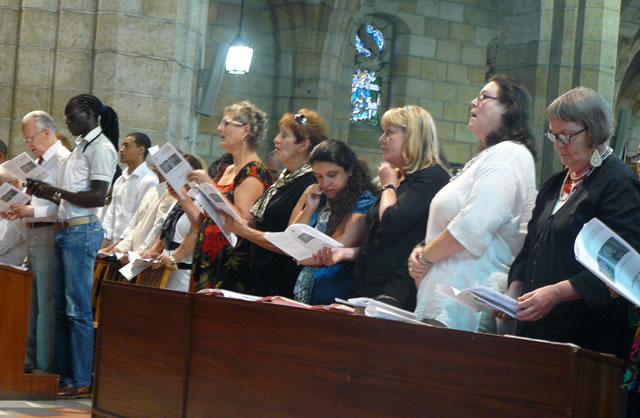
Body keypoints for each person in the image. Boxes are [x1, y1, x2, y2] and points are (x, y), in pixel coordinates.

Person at [502, 86, 640, 358]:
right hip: (536, 326)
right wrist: (513, 289)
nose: (558, 145)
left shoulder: (618, 183)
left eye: (566, 135)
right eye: (554, 135)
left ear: (594, 131)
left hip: (585, 337)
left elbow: (620, 267)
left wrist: (556, 293)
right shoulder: (556, 183)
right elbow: (531, 246)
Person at [408, 75, 537, 332]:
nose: (473, 102)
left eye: (483, 97)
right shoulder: (487, 157)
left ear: (507, 107)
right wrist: (423, 251)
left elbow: (472, 228)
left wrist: (424, 257)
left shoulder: (509, 155)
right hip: (445, 299)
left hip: (468, 302)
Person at [28, 94, 118, 398]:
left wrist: (56, 190)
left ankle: (80, 378)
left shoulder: (102, 147)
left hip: (82, 232)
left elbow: (96, 197)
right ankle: (64, 375)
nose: (67, 121)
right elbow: (68, 196)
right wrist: (43, 191)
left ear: (89, 113)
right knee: (61, 308)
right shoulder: (80, 147)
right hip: (65, 231)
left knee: (77, 309)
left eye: (71, 116)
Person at [315, 106, 450, 310]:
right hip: (368, 285)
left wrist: (388, 185)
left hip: (398, 290)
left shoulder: (432, 177)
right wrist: (345, 253)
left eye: (389, 132)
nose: (381, 139)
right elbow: (379, 240)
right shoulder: (401, 178)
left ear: (412, 136)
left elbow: (391, 222)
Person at [222, 110, 327, 298]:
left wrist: (245, 231)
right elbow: (262, 223)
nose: (276, 139)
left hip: (281, 281)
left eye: (284, 135)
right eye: (279, 133)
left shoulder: (310, 184)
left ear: (303, 145)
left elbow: (291, 243)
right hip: (258, 275)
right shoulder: (284, 178)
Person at [6, 112, 71, 374]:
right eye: (25, 140)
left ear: (47, 132)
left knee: (45, 302)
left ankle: (44, 366)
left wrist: (32, 211)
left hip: (49, 233)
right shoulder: (38, 161)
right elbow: (39, 200)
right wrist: (18, 207)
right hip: (33, 232)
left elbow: (68, 206)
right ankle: (27, 361)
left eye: (31, 138)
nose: (29, 144)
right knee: (30, 301)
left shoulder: (64, 159)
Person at [186, 101, 272, 292]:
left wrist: (209, 186)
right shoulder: (227, 168)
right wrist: (182, 197)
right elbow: (205, 220)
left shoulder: (254, 171)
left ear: (245, 130)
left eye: (226, 123)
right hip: (208, 256)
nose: (219, 128)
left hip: (230, 261)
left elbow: (242, 221)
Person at [291, 139, 377, 305]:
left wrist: (302, 256)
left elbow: (338, 246)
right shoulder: (322, 199)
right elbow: (292, 236)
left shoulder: (364, 200)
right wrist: (309, 208)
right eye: (319, 177)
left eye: (332, 175)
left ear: (349, 170)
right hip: (306, 292)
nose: (325, 183)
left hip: (335, 293)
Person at [143, 153, 204, 291]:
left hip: (182, 273)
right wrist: (150, 254)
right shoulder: (178, 201)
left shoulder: (202, 202)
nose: (169, 181)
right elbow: (165, 232)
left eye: (175, 176)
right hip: (164, 267)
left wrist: (172, 259)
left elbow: (195, 235)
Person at [100, 167, 175, 258]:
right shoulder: (152, 190)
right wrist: (120, 248)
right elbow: (137, 225)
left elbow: (158, 229)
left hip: (146, 255)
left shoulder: (169, 192)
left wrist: (139, 254)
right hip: (134, 251)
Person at [101, 132, 157, 247]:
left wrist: (120, 244)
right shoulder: (120, 179)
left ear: (141, 150)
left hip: (131, 245)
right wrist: (106, 238)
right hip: (112, 243)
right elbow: (111, 213)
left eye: (126, 146)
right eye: (122, 145)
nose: (121, 149)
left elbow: (139, 219)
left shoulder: (149, 180)